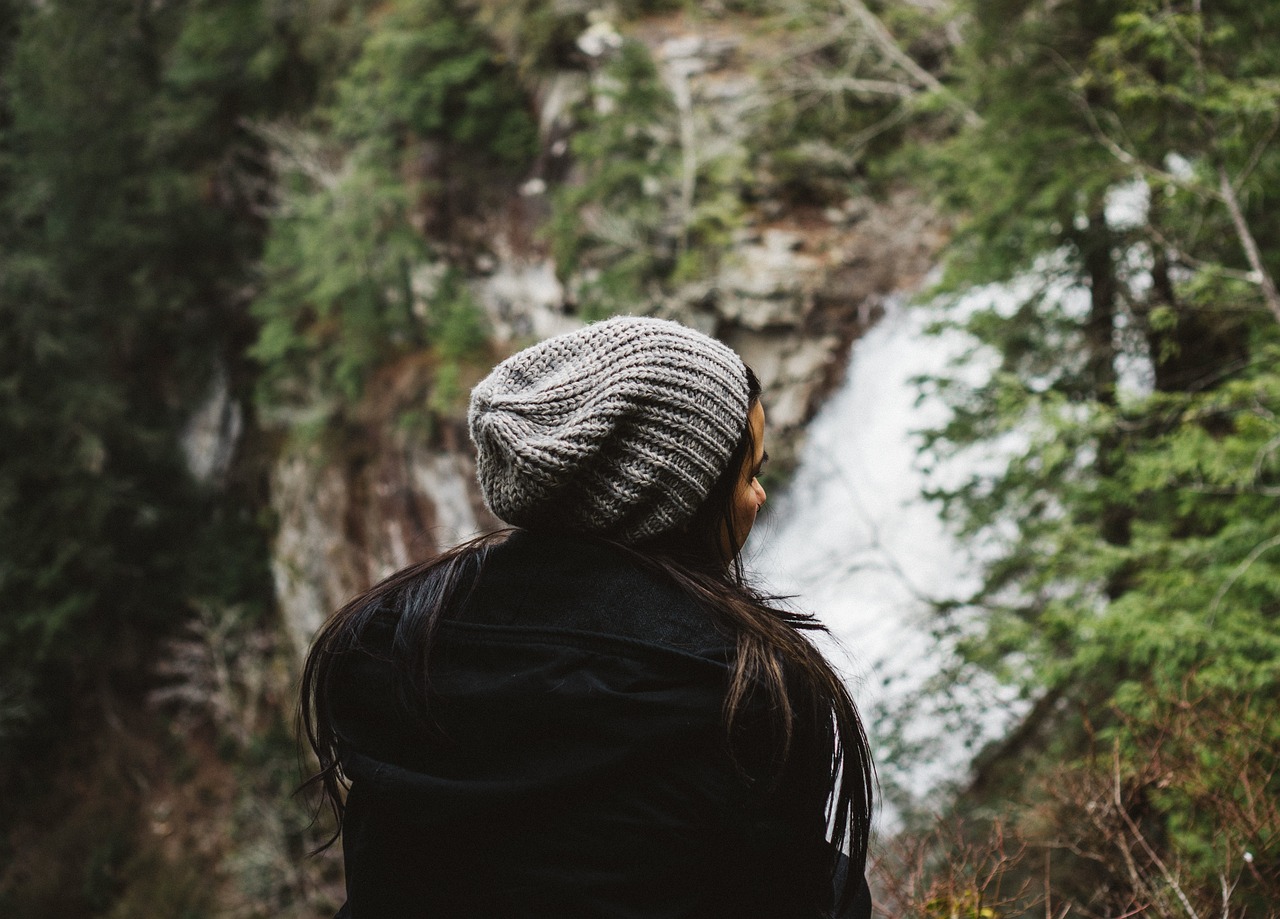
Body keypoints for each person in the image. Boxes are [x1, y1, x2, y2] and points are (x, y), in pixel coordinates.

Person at [300, 316, 875, 918]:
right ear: (673, 495)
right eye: (749, 473)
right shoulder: (746, 686)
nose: (759, 496)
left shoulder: (390, 635)